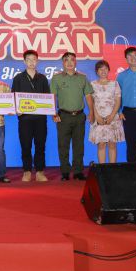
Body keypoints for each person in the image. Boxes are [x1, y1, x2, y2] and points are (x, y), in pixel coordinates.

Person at [50, 52, 94, 180]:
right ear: (63, 63)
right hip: (63, 116)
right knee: (63, 145)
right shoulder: (56, 78)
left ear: (76, 62)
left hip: (80, 116)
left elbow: (88, 96)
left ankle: (78, 171)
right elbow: (52, 97)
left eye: (72, 60)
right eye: (66, 60)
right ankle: (65, 172)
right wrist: (54, 113)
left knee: (79, 145)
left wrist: (91, 112)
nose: (69, 63)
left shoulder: (82, 78)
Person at [10, 49, 51, 182]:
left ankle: (39, 171)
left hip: (40, 118)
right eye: (28, 60)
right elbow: (13, 97)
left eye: (34, 59)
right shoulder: (18, 78)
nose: (31, 62)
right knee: (25, 145)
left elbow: (48, 98)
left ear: (37, 61)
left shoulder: (43, 78)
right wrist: (17, 109)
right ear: (24, 61)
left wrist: (49, 109)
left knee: (40, 144)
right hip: (25, 118)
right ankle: (27, 171)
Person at [89, 60, 124, 164]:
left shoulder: (115, 84)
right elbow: (91, 102)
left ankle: (111, 170)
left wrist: (112, 115)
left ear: (109, 70)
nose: (103, 71)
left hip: (113, 117)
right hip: (98, 117)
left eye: (105, 68)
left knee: (112, 144)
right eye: (100, 69)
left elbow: (118, 100)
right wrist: (96, 115)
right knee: (101, 144)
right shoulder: (92, 84)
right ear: (97, 71)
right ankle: (102, 170)